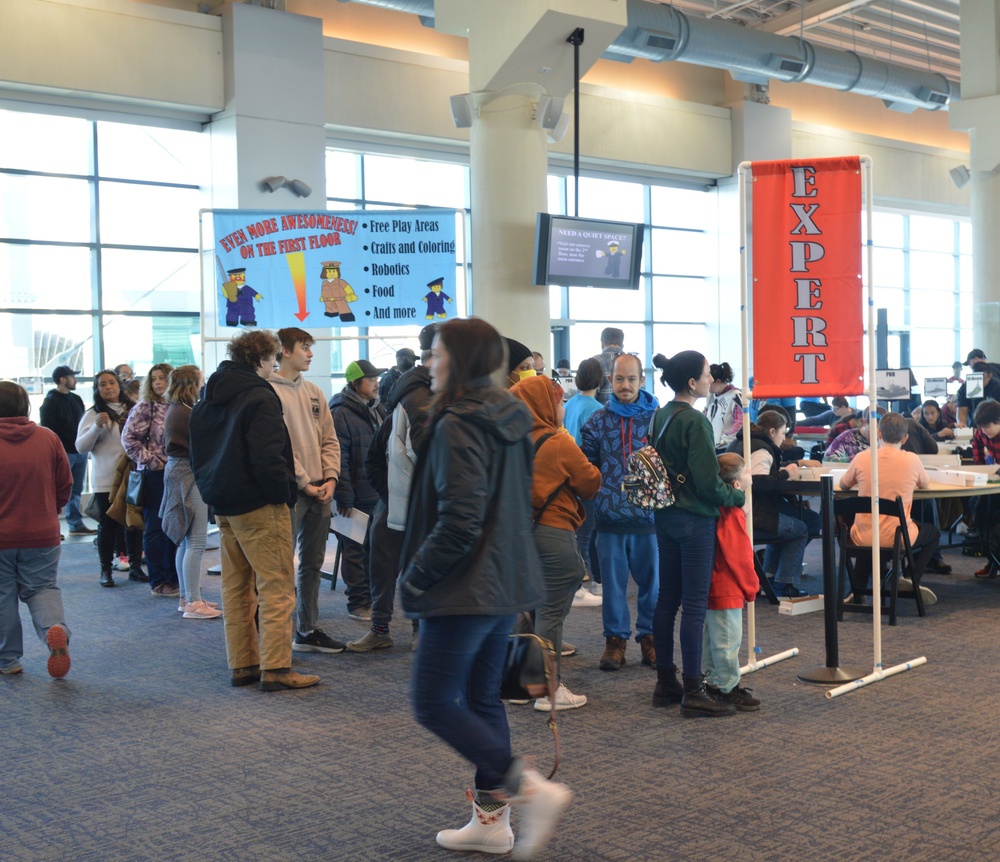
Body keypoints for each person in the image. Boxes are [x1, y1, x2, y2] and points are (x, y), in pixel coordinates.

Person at [399, 317, 570, 859]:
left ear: (460, 360)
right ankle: (492, 823)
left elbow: (461, 519)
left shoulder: (457, 423)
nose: (430, 361)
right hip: (505, 581)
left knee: (432, 702)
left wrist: (414, 576)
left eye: (438, 353)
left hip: (464, 585)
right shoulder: (512, 413)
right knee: (480, 697)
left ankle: (526, 786)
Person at [190, 329, 319, 692]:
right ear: (263, 359)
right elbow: (268, 456)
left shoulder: (207, 397)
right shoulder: (260, 397)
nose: (275, 364)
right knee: (277, 587)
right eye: (273, 358)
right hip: (261, 505)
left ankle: (244, 665)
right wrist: (284, 495)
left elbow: (197, 455)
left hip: (224, 506)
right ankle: (277, 669)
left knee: (236, 589)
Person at [649, 351, 744, 718]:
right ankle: (694, 688)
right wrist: (735, 497)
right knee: (694, 605)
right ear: (692, 383)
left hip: (665, 517)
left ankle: (665, 682)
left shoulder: (660, 416)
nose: (710, 378)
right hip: (694, 521)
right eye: (706, 374)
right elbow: (707, 483)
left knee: (666, 600)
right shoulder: (696, 422)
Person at [510, 374, 601, 710]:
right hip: (553, 532)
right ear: (544, 405)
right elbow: (590, 482)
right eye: (559, 401)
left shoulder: (508, 441)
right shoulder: (559, 443)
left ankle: (522, 684)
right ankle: (548, 689)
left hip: (518, 535)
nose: (563, 407)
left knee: (527, 609)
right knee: (550, 611)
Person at [354, 323, 436, 652]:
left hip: (423, 506)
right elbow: (374, 458)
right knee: (383, 567)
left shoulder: (438, 397)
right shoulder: (412, 400)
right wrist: (390, 495)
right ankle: (381, 628)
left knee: (420, 568)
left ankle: (419, 631)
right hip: (396, 505)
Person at [580, 352, 659, 671]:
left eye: (631, 379)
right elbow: (587, 465)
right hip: (609, 518)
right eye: (619, 379)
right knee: (612, 586)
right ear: (609, 381)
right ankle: (615, 641)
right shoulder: (597, 421)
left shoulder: (658, 418)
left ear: (642, 380)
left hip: (650, 519)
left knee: (652, 585)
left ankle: (651, 638)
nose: (625, 385)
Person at [270, 328, 345, 653]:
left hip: (321, 489)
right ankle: (277, 637)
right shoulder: (268, 391)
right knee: (282, 566)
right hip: (292, 491)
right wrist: (306, 483)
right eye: (304, 347)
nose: (310, 353)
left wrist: (330, 479)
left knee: (313, 564)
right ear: (285, 351)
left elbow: (330, 439)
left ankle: (307, 628)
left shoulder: (314, 391)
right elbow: (280, 446)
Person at [0, 381, 73, 678]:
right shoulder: (48, 438)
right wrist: (49, 509)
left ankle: (8, 660)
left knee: (2, 596)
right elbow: (65, 484)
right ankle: (55, 632)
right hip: (42, 531)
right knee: (42, 589)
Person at [839, 412, 939, 607]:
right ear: (905, 438)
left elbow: (843, 485)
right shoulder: (912, 460)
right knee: (933, 533)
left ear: (878, 433)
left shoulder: (862, 458)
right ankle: (910, 578)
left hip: (861, 536)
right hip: (898, 538)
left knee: (870, 529)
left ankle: (857, 589)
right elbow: (925, 484)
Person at [730, 410, 819, 598]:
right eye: (782, 432)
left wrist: (794, 464)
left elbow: (764, 470)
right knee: (801, 528)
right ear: (772, 432)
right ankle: (784, 583)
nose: (784, 438)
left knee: (809, 520)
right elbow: (759, 482)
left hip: (743, 511)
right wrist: (786, 474)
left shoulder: (744, 441)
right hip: (755, 515)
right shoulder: (762, 450)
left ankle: (769, 577)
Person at [75, 370, 145, 587]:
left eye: (112, 383)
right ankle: (106, 570)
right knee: (108, 526)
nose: (108, 387)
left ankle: (135, 567)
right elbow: (80, 447)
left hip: (133, 476)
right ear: (97, 389)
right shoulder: (92, 414)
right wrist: (96, 427)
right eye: (102, 384)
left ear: (119, 385)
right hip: (106, 478)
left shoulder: (134, 408)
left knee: (134, 523)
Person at [161, 365, 221, 620]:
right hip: (188, 473)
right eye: (199, 379)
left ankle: (188, 597)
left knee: (187, 540)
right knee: (195, 540)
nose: (202, 383)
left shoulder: (178, 409)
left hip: (179, 471)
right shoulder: (186, 413)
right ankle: (193, 602)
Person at [329, 359, 387, 621]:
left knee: (374, 550)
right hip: (352, 495)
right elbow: (336, 457)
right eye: (371, 378)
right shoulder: (341, 413)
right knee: (354, 551)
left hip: (376, 493)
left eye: (377, 377)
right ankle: (358, 603)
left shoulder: (376, 409)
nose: (377, 382)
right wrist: (344, 494)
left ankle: (371, 599)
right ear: (355, 383)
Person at [703, 453, 761, 711]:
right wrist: (751, 586)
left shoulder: (716, 508)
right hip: (727, 585)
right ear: (737, 485)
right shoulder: (732, 514)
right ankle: (727, 687)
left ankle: (713, 681)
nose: (750, 472)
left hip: (713, 583)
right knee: (728, 640)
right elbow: (738, 555)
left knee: (713, 638)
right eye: (746, 471)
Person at [122, 363, 179, 598]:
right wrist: (155, 462)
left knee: (175, 527)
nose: (158, 383)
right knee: (156, 528)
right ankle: (159, 580)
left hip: (178, 473)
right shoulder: (145, 407)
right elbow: (129, 440)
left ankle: (176, 577)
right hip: (154, 475)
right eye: (154, 379)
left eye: (163, 378)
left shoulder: (179, 406)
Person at [563, 357, 604, 604]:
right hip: (587, 475)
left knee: (578, 532)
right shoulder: (597, 408)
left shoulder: (570, 404)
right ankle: (579, 586)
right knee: (588, 535)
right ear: (600, 379)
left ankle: (584, 583)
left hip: (568, 476)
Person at [39, 365, 93, 537]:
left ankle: (75, 524)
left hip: (79, 452)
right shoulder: (50, 402)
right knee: (55, 490)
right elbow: (49, 430)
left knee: (75, 490)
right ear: (63, 379)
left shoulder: (76, 399)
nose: (75, 379)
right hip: (62, 454)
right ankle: (51, 527)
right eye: (72, 376)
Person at [705, 361, 743, 453]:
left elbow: (740, 422)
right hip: (713, 445)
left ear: (718, 381)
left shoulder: (735, 395)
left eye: (710, 382)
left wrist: (723, 440)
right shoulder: (712, 396)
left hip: (727, 447)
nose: (707, 385)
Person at [957, 360, 1000, 427]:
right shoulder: (965, 388)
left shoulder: (997, 387)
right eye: (976, 378)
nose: (979, 382)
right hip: (974, 423)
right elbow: (962, 408)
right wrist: (962, 422)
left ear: (990, 376)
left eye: (982, 379)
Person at [591, 326, 624, 405]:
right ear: (622, 345)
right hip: (631, 416)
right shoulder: (634, 362)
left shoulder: (594, 362)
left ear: (602, 344)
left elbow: (588, 398)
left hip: (600, 415)